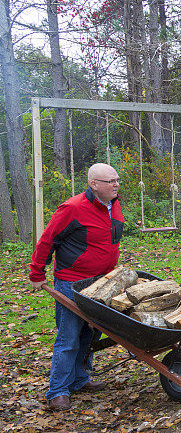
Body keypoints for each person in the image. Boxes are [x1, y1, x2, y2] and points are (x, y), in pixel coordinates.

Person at [29, 163, 125, 410]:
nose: (116, 184)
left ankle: (80, 379)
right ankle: (58, 390)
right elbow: (46, 241)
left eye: (117, 180)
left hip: (102, 282)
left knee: (90, 333)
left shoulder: (113, 205)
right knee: (69, 336)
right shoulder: (72, 208)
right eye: (110, 181)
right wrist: (36, 272)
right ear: (94, 184)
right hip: (71, 281)